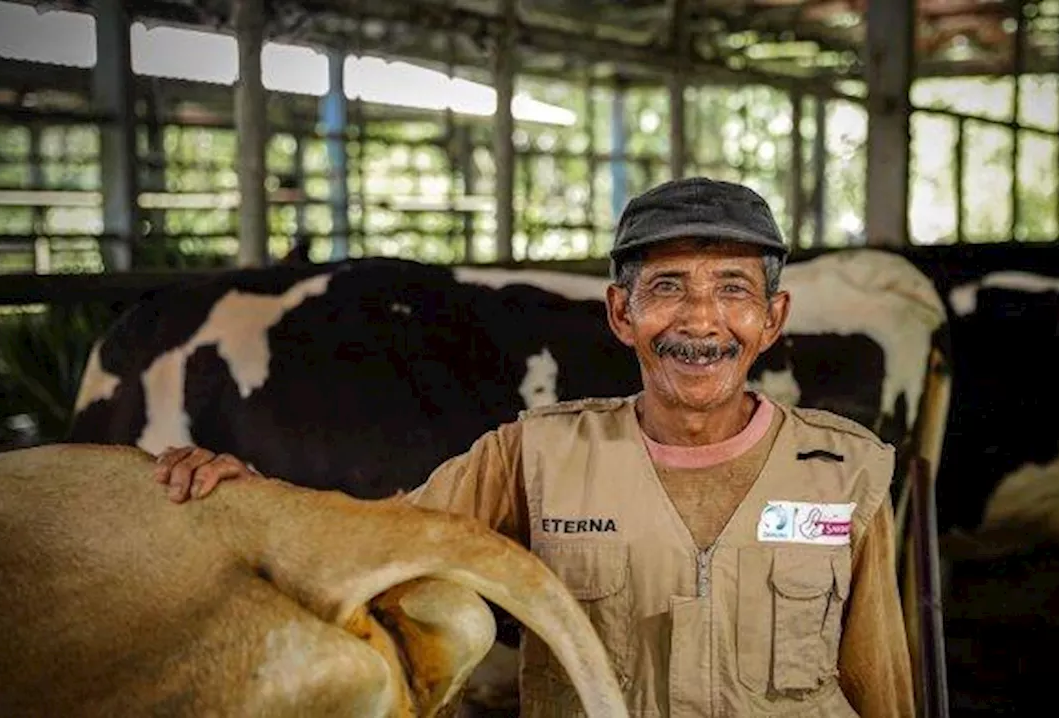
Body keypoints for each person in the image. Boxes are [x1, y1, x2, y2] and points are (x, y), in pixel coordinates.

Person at [154, 176, 916, 717]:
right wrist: (248, 491)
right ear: (621, 313)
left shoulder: (843, 472)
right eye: (669, 287)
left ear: (773, 319)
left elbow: (880, 679)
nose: (701, 318)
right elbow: (374, 539)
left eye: (733, 289)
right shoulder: (534, 456)